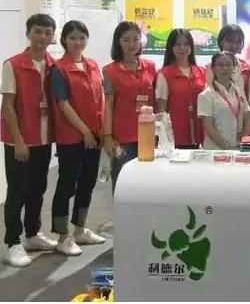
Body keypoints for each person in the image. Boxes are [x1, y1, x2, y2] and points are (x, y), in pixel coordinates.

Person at [1, 14, 58, 267]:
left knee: (38, 188)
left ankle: (32, 234)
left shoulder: (53, 65)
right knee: (18, 191)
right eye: (37, 31)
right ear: (28, 33)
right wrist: (19, 140)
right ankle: (12, 242)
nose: (42, 37)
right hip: (21, 141)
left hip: (44, 139)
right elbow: (8, 106)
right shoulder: (13, 64)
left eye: (47, 32)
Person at [50, 20, 106, 256]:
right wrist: (84, 131)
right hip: (72, 136)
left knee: (87, 183)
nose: (77, 42)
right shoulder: (58, 69)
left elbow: (100, 98)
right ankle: (63, 236)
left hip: (94, 135)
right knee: (67, 185)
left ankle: (80, 230)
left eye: (82, 37)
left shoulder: (92, 64)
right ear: (64, 40)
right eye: (72, 37)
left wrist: (101, 130)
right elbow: (63, 104)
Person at [102, 21, 157, 194]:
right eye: (126, 40)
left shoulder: (150, 67)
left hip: (148, 134)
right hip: (122, 136)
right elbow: (108, 105)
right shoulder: (110, 71)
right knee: (122, 180)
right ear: (118, 42)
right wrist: (107, 136)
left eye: (135, 39)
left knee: (147, 180)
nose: (132, 44)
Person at [156, 29, 207, 149]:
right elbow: (161, 109)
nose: (182, 48)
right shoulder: (164, 73)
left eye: (186, 44)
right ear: (171, 47)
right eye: (177, 44)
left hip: (201, 135)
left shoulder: (201, 72)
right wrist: (165, 138)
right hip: (176, 137)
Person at [198, 52, 250, 149]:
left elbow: (247, 118)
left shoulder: (239, 92)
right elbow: (209, 127)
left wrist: (243, 142)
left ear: (234, 67)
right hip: (215, 149)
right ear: (213, 68)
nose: (225, 68)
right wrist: (228, 148)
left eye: (228, 64)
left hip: (238, 148)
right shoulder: (206, 95)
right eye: (220, 65)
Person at [207, 25, 250, 103]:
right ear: (221, 42)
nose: (234, 45)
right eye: (230, 41)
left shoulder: (246, 67)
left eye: (238, 42)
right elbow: (208, 95)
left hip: (242, 108)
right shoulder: (211, 67)